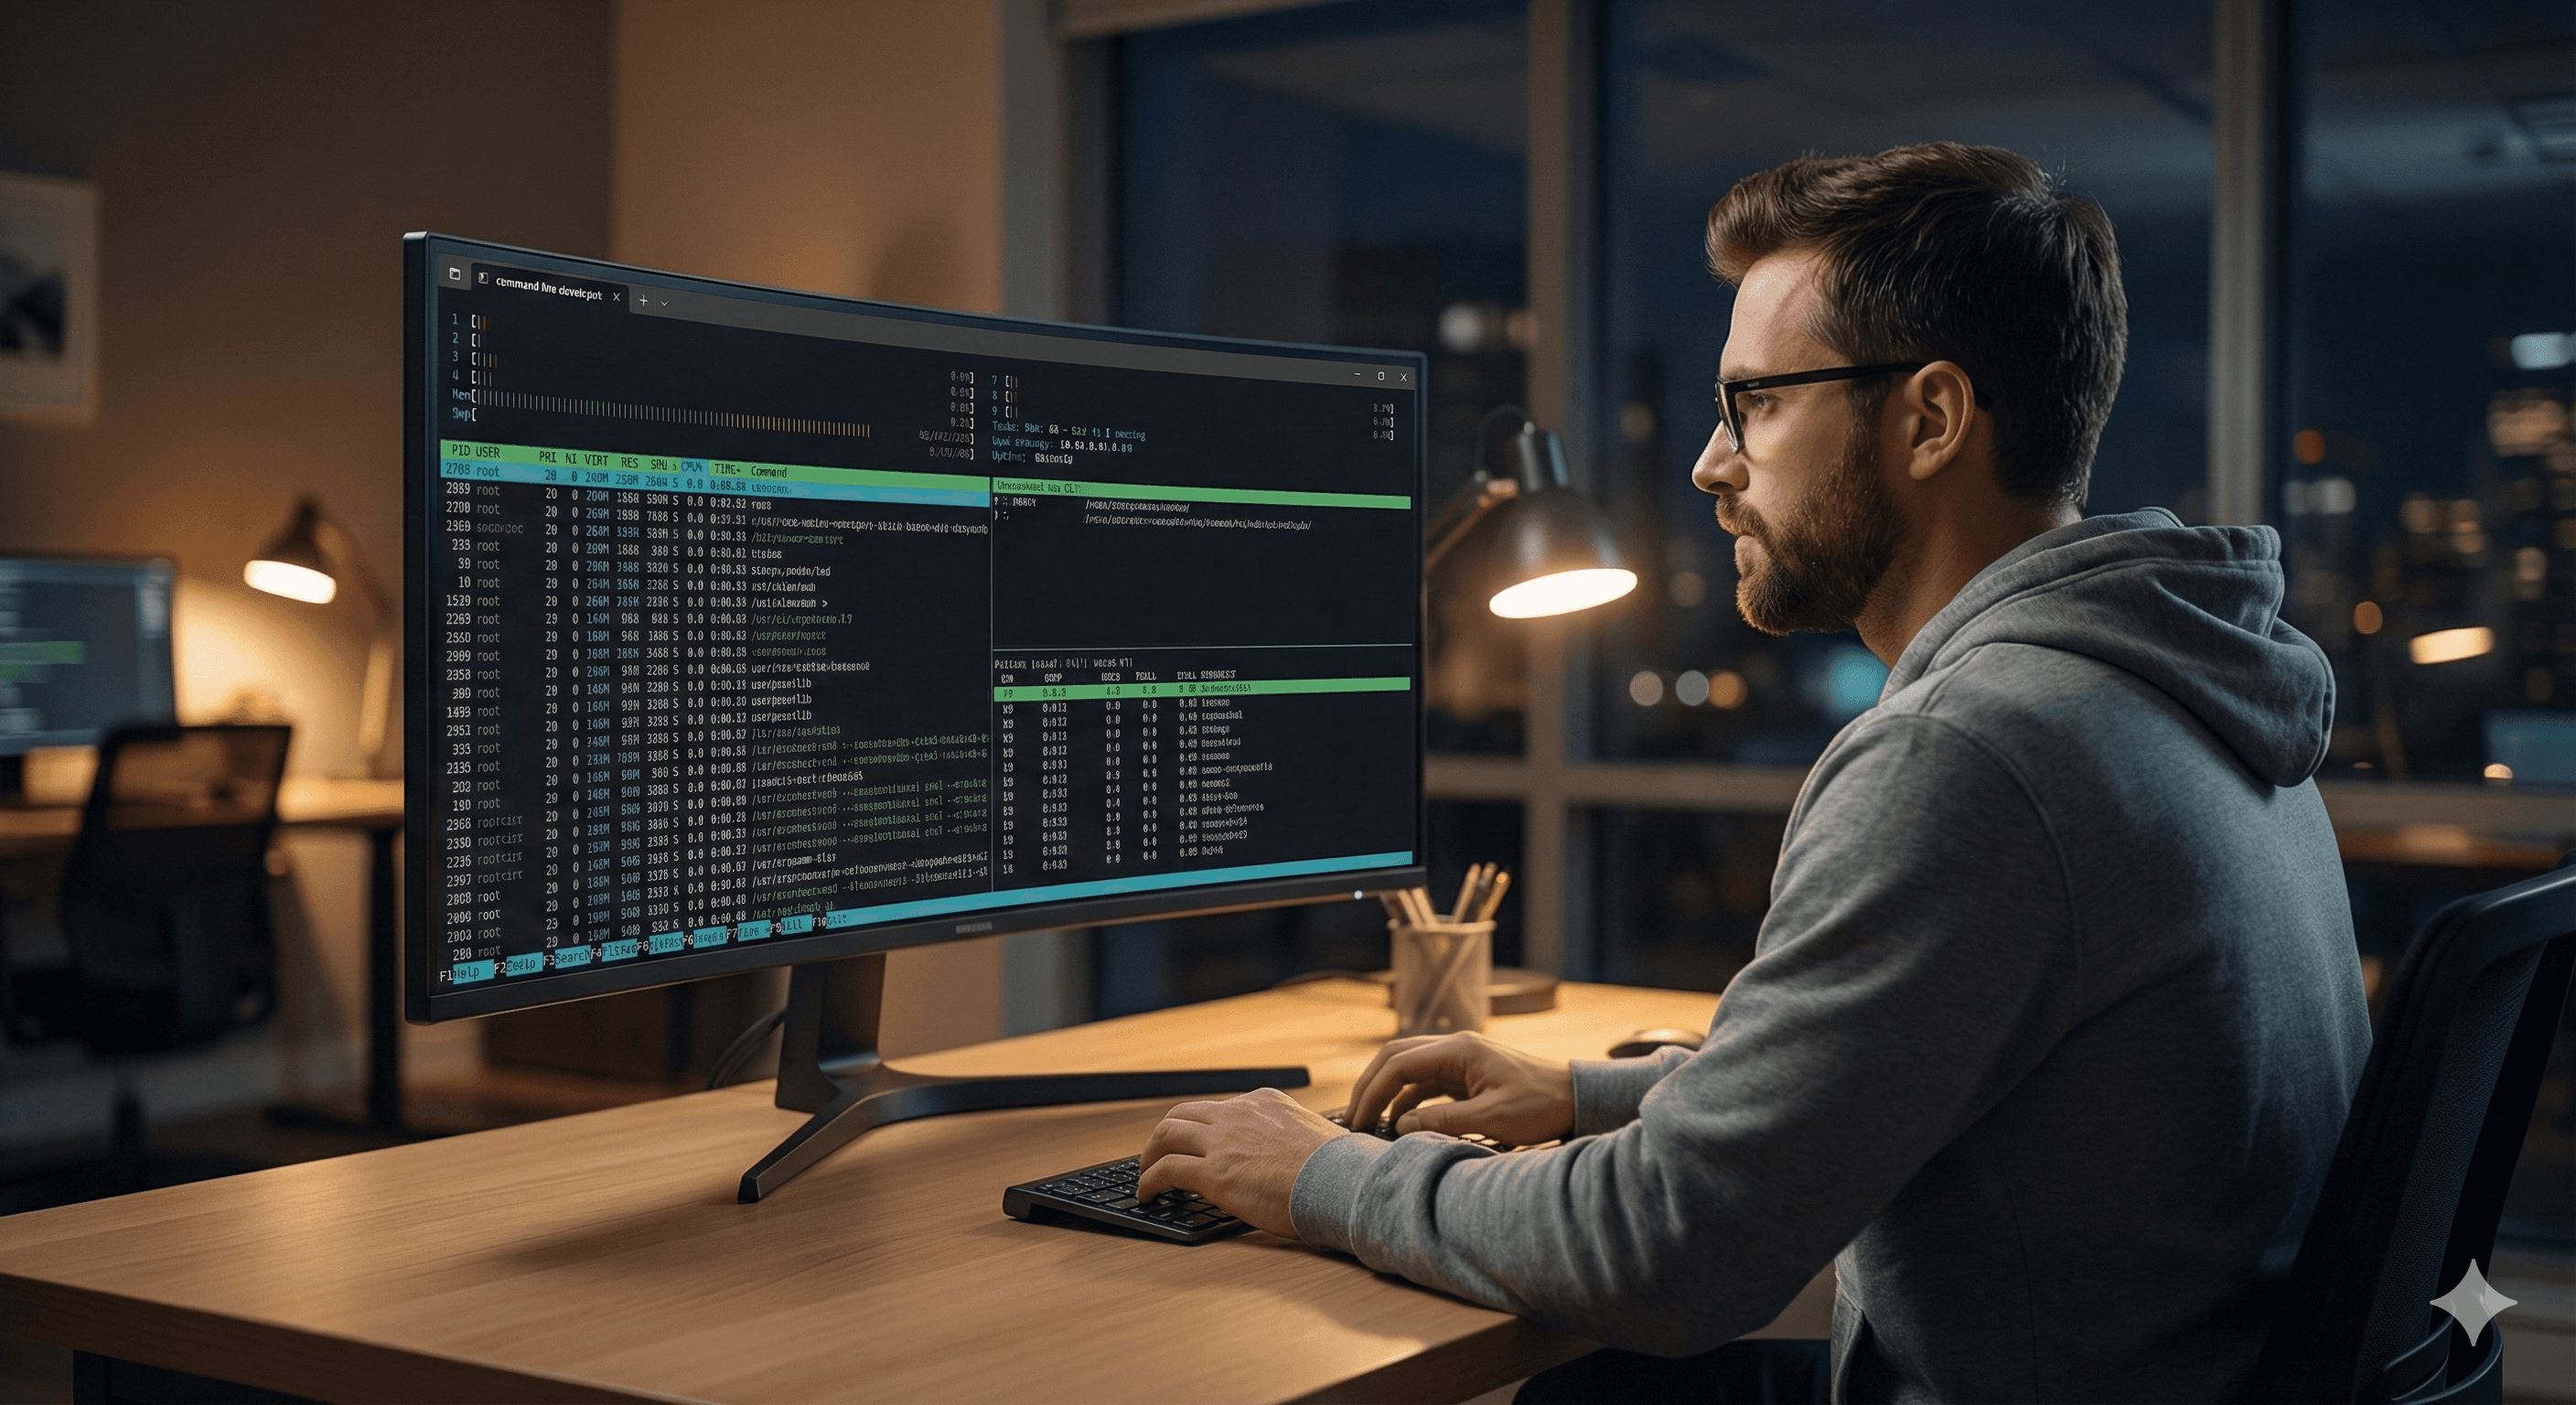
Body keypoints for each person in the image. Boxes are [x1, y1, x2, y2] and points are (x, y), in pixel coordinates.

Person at [1134, 142, 2369, 1403]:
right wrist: (1585, 1092)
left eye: (1756, 405)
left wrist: (1317, 1176)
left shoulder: (1976, 751)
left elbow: (1666, 1254)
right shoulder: (2183, 685)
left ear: (1930, 420)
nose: (1710, 467)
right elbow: (1916, 1074)